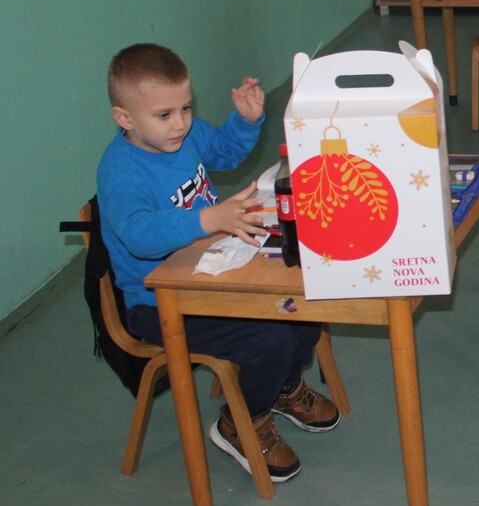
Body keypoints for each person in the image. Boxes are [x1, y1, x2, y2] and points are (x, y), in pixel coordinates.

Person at [97, 43, 338, 483]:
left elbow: (224, 151)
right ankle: (241, 422)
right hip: (159, 303)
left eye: (186, 108)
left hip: (211, 271)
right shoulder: (121, 171)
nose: (180, 123)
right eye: (164, 114)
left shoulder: (183, 138)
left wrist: (245, 121)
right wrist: (207, 219)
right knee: (270, 342)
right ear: (124, 118)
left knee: (301, 306)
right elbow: (138, 235)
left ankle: (283, 389)